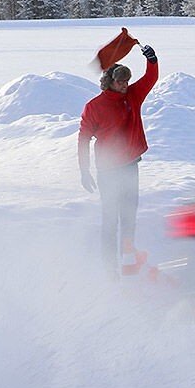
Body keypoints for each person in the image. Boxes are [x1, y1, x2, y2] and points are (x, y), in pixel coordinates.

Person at [77, 43, 158, 275]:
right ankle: (109, 268)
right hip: (108, 171)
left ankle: (128, 262)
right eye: (120, 82)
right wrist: (84, 170)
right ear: (109, 82)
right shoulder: (94, 107)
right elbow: (83, 139)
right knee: (110, 220)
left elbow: (150, 79)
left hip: (131, 167)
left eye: (126, 81)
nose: (125, 86)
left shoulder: (132, 96)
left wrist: (152, 60)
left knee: (129, 218)